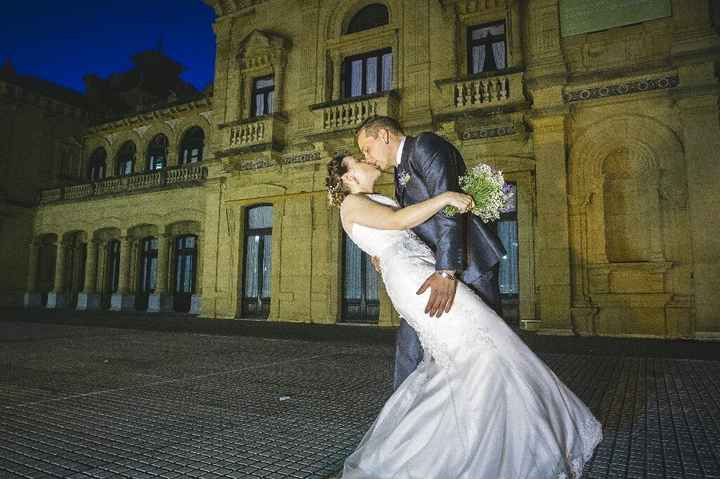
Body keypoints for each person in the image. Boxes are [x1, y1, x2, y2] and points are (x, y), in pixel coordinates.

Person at [326, 154, 602, 478]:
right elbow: (397, 222)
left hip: (415, 270)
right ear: (347, 177)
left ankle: (488, 442)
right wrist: (445, 198)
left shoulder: (364, 200)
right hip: (415, 278)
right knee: (483, 349)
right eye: (356, 159)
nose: (364, 158)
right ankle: (485, 449)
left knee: (474, 354)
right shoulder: (351, 203)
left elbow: (381, 237)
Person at [355, 115, 506, 390]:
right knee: (410, 343)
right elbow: (417, 222)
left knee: (490, 344)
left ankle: (499, 408)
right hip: (431, 269)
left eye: (367, 148)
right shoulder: (400, 174)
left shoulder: (425, 145)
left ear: (384, 136)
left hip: (469, 264)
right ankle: (406, 413)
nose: (367, 157)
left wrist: (446, 272)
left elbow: (450, 207)